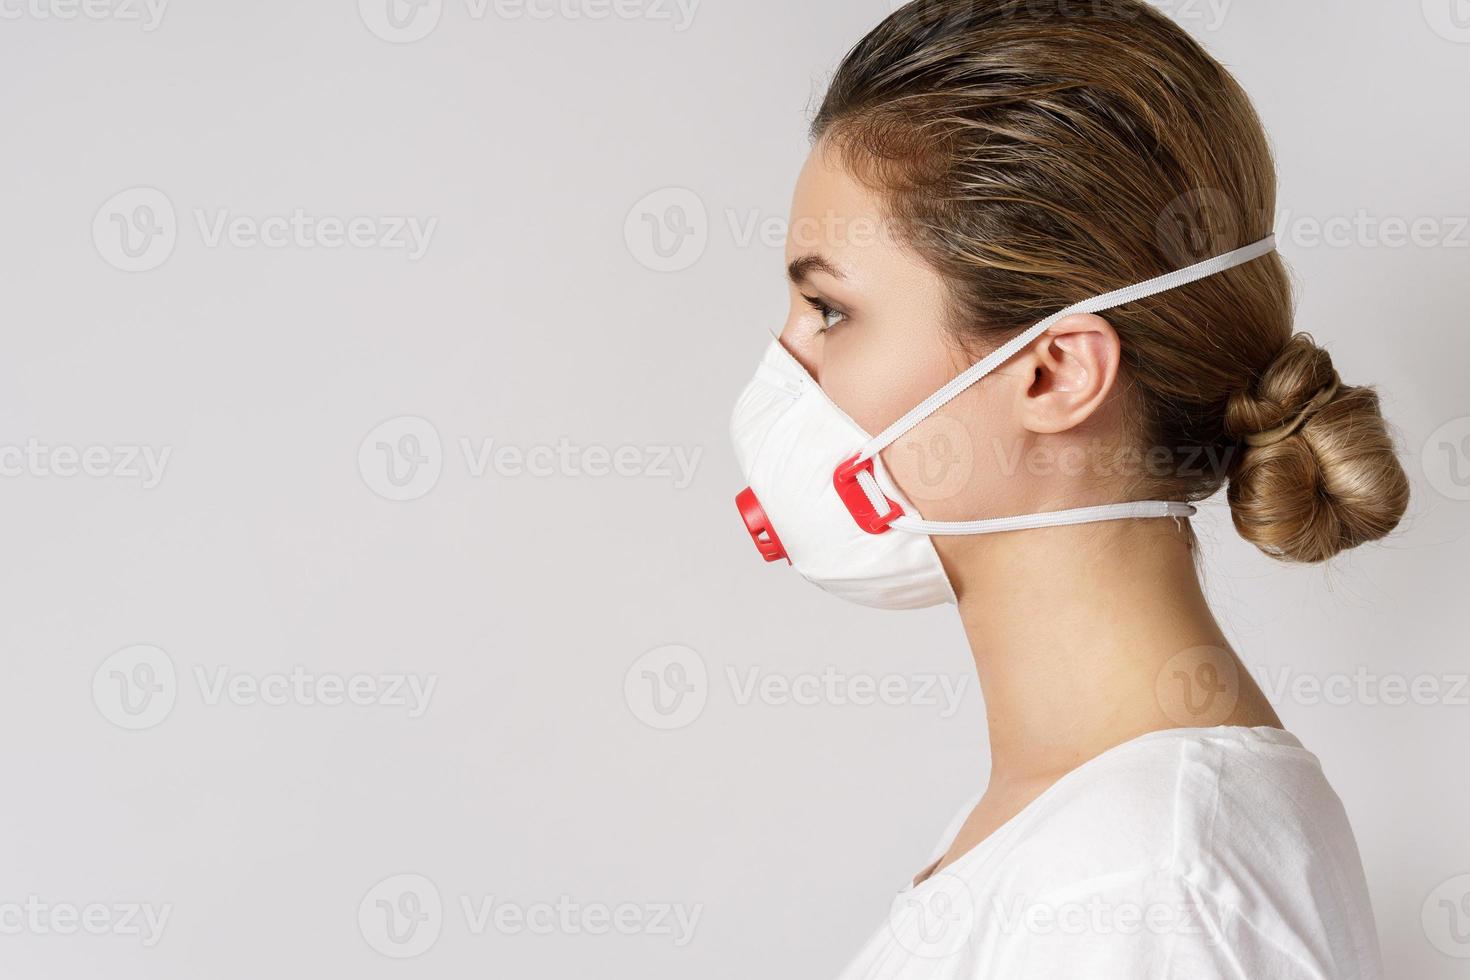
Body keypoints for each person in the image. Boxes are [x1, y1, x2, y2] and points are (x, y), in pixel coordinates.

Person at [728, 2, 1409, 977]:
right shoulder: (1090, 832)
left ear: (1051, 373)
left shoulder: (1140, 884)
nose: (786, 367)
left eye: (831, 309)